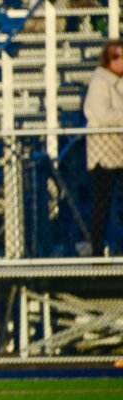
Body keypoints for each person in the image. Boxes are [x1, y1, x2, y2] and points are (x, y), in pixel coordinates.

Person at [84, 39, 123, 257]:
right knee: (103, 202)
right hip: (104, 154)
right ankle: (96, 250)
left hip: (121, 152)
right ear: (109, 61)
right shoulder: (100, 82)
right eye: (118, 56)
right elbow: (102, 114)